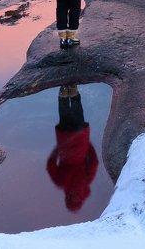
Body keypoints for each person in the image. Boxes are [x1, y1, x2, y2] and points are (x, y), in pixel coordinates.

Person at [46, 84, 99, 212]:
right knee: (64, 115)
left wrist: (88, 145)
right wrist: (57, 150)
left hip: (81, 141)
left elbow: (94, 162)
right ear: (66, 198)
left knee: (77, 113)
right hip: (64, 140)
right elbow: (50, 166)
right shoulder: (61, 183)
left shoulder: (86, 182)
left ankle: (73, 91)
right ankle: (64, 92)